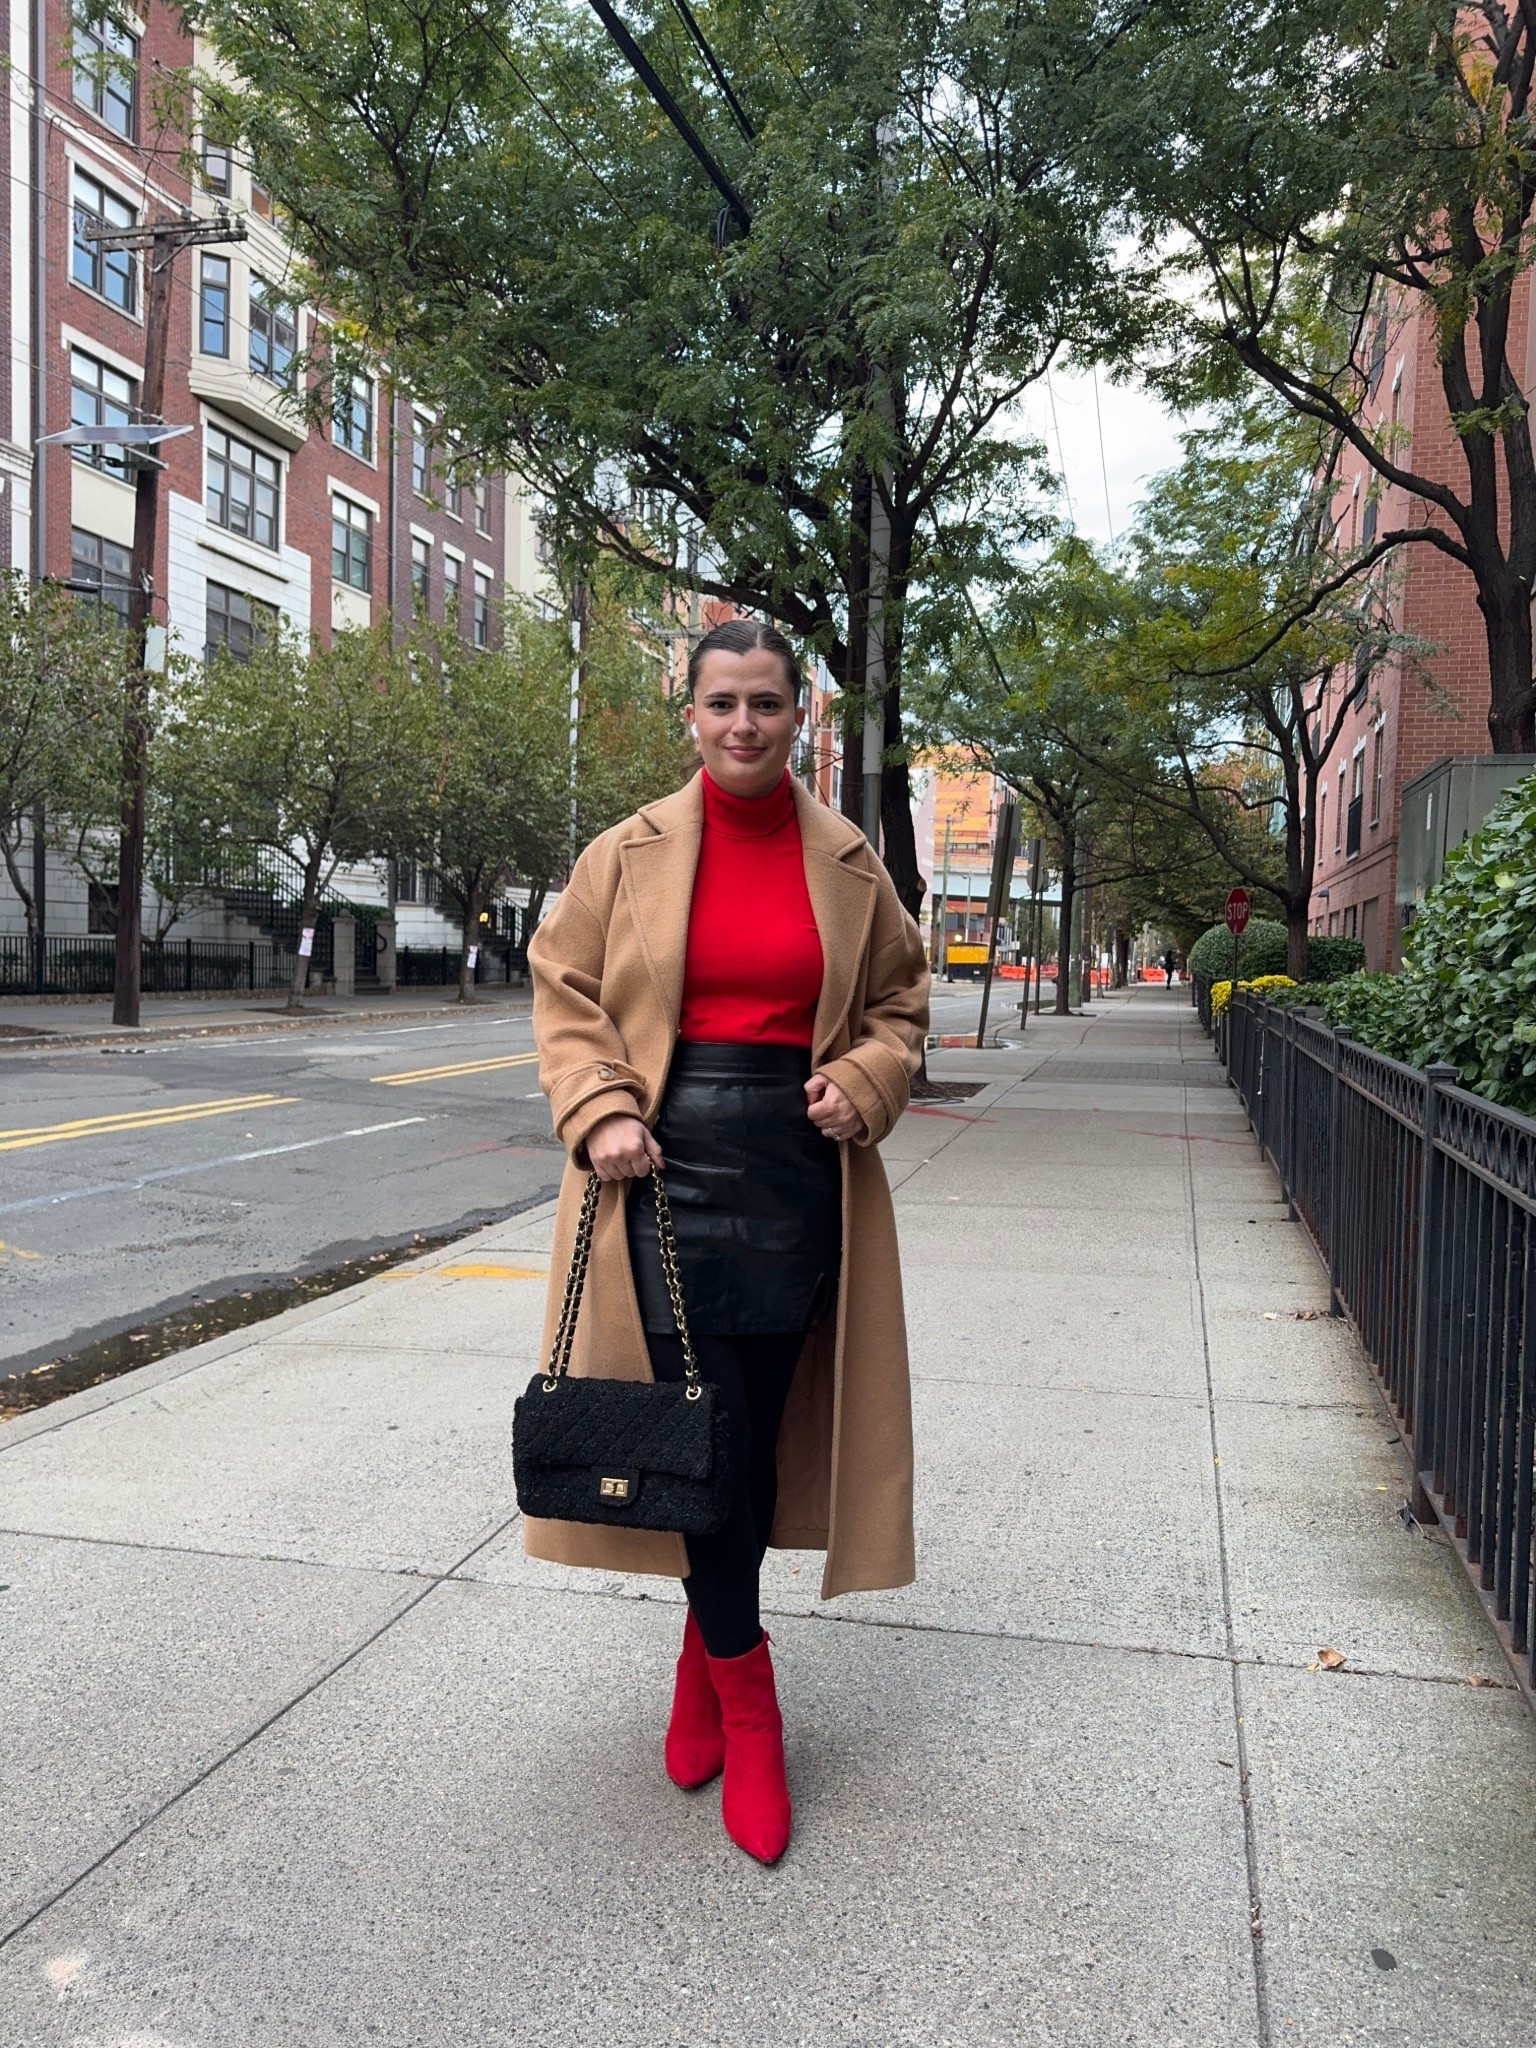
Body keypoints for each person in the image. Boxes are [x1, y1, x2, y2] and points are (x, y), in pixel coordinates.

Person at [526, 618, 929, 1865]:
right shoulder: (624, 851)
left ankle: (705, 1660)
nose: (745, 725)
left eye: (766, 704)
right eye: (723, 704)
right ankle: (751, 1700)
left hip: (797, 1170)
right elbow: (565, 986)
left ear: (800, 713)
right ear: (688, 711)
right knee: (700, 1430)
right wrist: (597, 1108)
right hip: (660, 1170)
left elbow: (900, 1002)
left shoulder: (852, 860)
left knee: (747, 1437)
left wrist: (867, 1077)